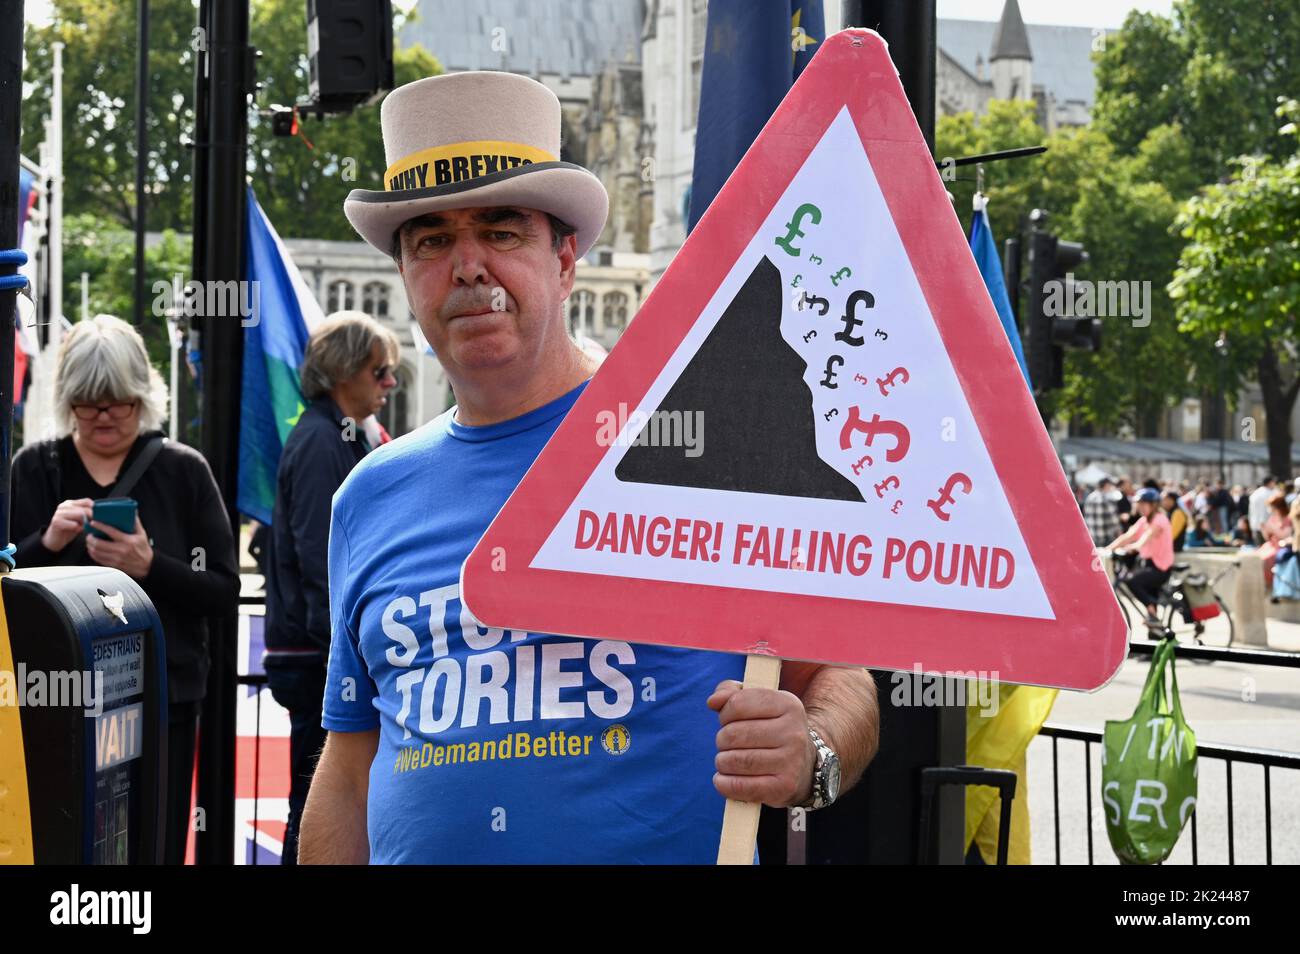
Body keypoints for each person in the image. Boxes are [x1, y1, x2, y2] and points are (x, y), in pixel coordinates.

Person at [298, 71, 880, 864]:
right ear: (405, 276)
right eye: (432, 239)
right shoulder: (369, 495)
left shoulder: (696, 449)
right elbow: (351, 771)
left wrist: (810, 753)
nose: (467, 266)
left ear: (565, 259)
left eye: (501, 232)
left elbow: (839, 675)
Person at [9, 314, 240, 863]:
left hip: (163, 700)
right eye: (89, 403)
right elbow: (6, 586)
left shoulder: (183, 470)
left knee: (152, 842)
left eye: (120, 402)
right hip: (56, 703)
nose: (105, 416)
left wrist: (149, 565)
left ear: (143, 397)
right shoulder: (36, 467)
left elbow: (223, 590)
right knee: (61, 847)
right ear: (68, 401)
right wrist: (45, 542)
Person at [262, 311, 399, 865]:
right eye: (380, 369)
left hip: (317, 650)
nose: (390, 381)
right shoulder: (322, 440)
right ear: (345, 372)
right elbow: (325, 559)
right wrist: (356, 648)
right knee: (318, 804)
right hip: (318, 655)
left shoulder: (334, 433)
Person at [1105, 488, 1174, 630]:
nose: (1140, 507)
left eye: (1143, 504)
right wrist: (1106, 549)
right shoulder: (1144, 521)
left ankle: (1151, 609)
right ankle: (1154, 633)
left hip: (1160, 567)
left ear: (1153, 505)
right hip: (1149, 564)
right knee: (1154, 624)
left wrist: (1132, 547)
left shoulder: (1160, 520)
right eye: (1138, 504)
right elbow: (1128, 535)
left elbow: (1145, 538)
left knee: (1132, 581)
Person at [1259, 492, 1292, 588]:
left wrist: (1272, 528)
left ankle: (1270, 583)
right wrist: (1263, 529)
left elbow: (1285, 535)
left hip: (1281, 546)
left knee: (1267, 559)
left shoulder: (1287, 519)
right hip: (1270, 545)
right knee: (1258, 557)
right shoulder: (1272, 518)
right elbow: (1267, 537)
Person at [1083, 477, 1122, 547]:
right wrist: (1120, 533)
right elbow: (1114, 520)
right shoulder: (1108, 498)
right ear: (1106, 485)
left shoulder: (1090, 497)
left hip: (1092, 536)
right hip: (1106, 538)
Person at [1249, 476, 1278, 545]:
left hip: (1255, 523)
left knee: (1260, 547)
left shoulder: (1255, 493)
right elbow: (1268, 510)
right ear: (1270, 483)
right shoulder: (1270, 494)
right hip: (1267, 523)